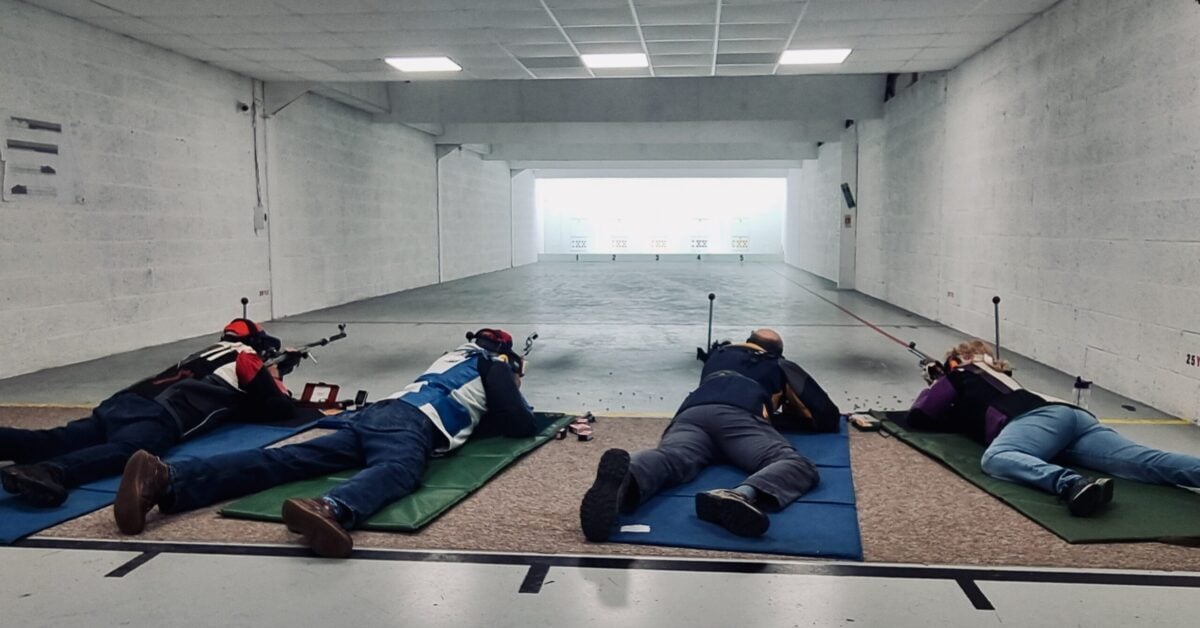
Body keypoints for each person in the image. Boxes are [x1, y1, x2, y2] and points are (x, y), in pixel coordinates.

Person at [113, 328, 538, 558]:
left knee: (285, 461)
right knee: (399, 470)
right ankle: (330, 508)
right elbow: (519, 421)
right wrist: (513, 383)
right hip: (412, 421)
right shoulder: (493, 364)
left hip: (376, 414)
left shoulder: (454, 357)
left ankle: (166, 477)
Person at [0, 319, 296, 507]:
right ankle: (51, 471)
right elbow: (278, 408)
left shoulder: (204, 352)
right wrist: (274, 375)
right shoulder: (246, 357)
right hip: (159, 414)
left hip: (125, 401)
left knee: (54, 439)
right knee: (130, 451)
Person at [580, 329, 840, 541]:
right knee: (796, 464)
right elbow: (824, 414)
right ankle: (741, 494)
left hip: (691, 413)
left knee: (671, 457)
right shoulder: (778, 364)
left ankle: (628, 477)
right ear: (777, 351)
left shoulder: (718, 355)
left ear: (749, 340)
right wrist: (778, 417)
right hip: (739, 417)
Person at [906, 339, 1200, 516]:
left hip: (1037, 420)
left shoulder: (961, 373)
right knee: (1144, 461)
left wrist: (936, 381)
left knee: (996, 458)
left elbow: (920, 416)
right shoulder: (999, 377)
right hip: (1071, 417)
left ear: (957, 361)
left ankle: (1071, 483)